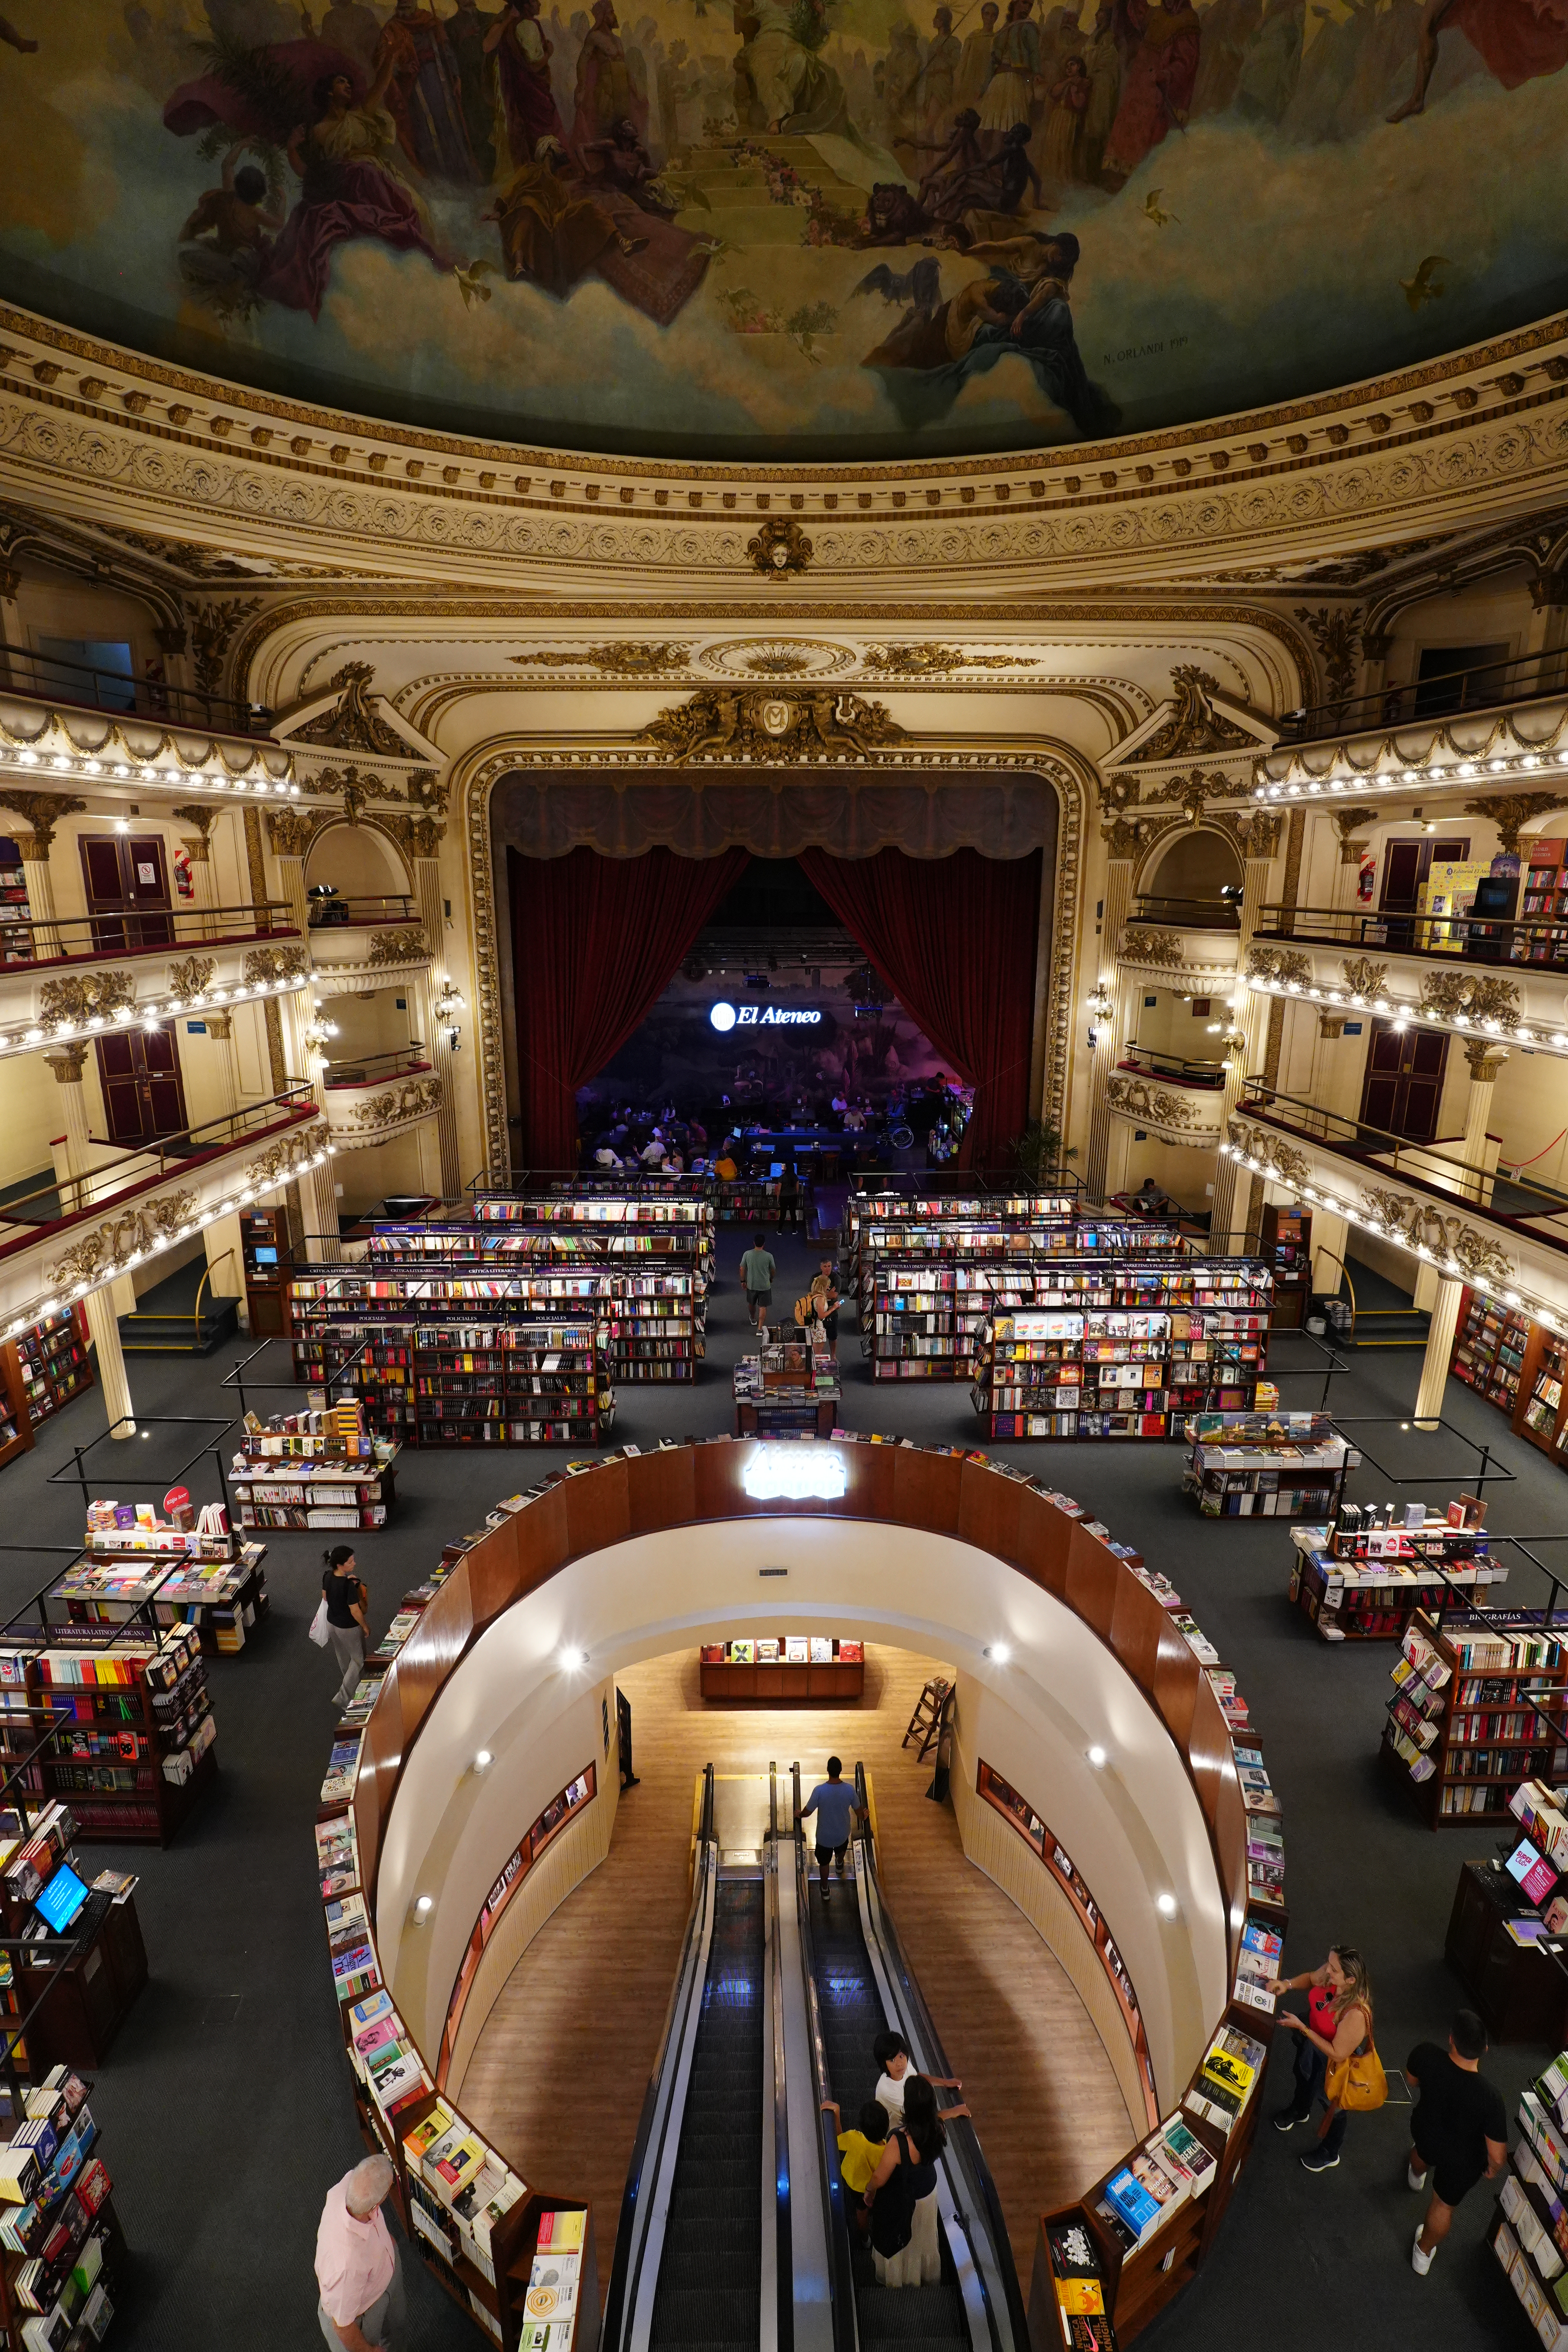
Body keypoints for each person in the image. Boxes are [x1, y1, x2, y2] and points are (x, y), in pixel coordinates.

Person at [1407, 2010, 1508, 2275]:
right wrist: (1492, 2170)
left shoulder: (1426, 2054)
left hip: (1426, 2131)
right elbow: (1497, 2156)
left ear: (1451, 2038)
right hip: (1462, 2160)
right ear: (1485, 2049)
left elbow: (1412, 2080)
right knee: (1442, 2205)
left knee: (1421, 2151)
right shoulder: (1491, 2098)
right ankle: (1423, 2254)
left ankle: (1415, 2177)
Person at [1267, 1943, 1374, 2173]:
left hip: (1332, 2062)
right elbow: (1311, 1978)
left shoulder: (1356, 2014)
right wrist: (1287, 1985)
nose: (1327, 1971)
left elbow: (1338, 2053)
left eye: (1334, 1970)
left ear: (1351, 1981)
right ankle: (1300, 2109)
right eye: (1329, 1964)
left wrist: (1303, 2029)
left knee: (1332, 2107)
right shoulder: (1332, 1975)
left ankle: (1330, 2151)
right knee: (1303, 2074)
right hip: (1313, 2041)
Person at [863, 2075, 964, 2288]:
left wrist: (869, 2190)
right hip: (928, 2194)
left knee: (901, 2237)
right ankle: (924, 2276)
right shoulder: (938, 2129)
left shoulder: (898, 2142)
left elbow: (880, 2178)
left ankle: (899, 2279)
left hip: (903, 2199)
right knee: (923, 2237)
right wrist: (954, 2112)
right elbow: (937, 2119)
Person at [315, 2151, 404, 2350]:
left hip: (383, 2276)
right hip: (362, 2317)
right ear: (377, 2203)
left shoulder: (351, 2185)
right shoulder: (346, 2268)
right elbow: (343, 2327)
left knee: (398, 2333)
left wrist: (387, 2244)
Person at [822, 2096, 889, 2228]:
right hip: (872, 2189)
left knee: (861, 2213)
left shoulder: (854, 2137)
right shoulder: (887, 2152)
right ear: (887, 2127)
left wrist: (836, 2112)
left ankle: (865, 2239)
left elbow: (838, 2140)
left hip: (853, 2183)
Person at [873, 2028, 963, 2121]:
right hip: (900, 2131)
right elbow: (919, 2121)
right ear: (884, 2064)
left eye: (901, 2056)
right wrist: (954, 2112)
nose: (899, 2064)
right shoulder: (888, 2092)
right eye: (892, 2060)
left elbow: (917, 2078)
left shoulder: (905, 2066)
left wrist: (945, 2083)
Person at [799, 1754, 858, 1894]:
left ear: (828, 1770)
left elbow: (808, 1812)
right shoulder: (849, 1790)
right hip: (842, 1833)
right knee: (841, 1849)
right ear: (841, 1770)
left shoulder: (819, 1791)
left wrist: (799, 1814)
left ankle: (825, 1889)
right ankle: (839, 1864)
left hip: (824, 1837)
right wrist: (865, 1814)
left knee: (824, 1863)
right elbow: (860, 1812)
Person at [322, 1543, 370, 1710]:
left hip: (332, 1624)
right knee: (358, 1660)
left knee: (343, 1657)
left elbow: (325, 1596)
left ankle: (352, 1689)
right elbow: (356, 1611)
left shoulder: (327, 1576)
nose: (354, 1564)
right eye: (350, 1562)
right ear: (340, 1565)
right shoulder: (348, 1586)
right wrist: (365, 1626)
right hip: (348, 1627)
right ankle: (344, 1696)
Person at [740, 1230, 776, 1329]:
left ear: (754, 1243)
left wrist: (743, 1281)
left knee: (752, 1303)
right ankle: (760, 1328)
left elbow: (742, 1268)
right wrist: (771, 1278)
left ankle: (752, 1317)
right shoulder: (769, 1256)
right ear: (764, 1245)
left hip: (751, 1285)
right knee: (763, 1307)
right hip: (765, 1286)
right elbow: (773, 1270)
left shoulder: (747, 1254)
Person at [816, 1257, 842, 1350]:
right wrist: (828, 1294)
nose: (828, 1269)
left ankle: (834, 1356)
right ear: (821, 1267)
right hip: (818, 1311)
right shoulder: (816, 1278)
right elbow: (812, 1295)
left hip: (832, 1311)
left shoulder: (837, 1278)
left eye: (830, 1266)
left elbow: (834, 1296)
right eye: (825, 1267)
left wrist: (821, 1293)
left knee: (833, 1336)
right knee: (817, 1336)